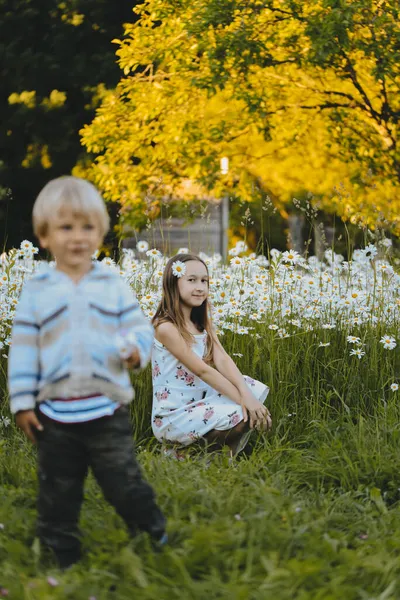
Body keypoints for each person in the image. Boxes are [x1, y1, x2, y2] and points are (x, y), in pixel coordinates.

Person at [8, 176, 166, 569]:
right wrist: (23, 402)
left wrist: (134, 348)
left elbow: (139, 327)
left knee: (122, 479)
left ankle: (151, 529)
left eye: (87, 228)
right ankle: (62, 556)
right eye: (66, 228)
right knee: (58, 490)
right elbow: (25, 347)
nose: (77, 237)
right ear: (44, 236)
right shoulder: (37, 289)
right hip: (54, 416)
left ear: (99, 233)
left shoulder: (111, 283)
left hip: (106, 409)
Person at [151, 253, 272, 458]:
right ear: (173, 283)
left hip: (200, 404)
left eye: (204, 281)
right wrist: (244, 401)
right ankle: (187, 451)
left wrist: (246, 394)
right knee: (241, 412)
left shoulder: (202, 323)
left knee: (250, 388)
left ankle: (209, 455)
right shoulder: (165, 327)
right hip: (174, 415)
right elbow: (202, 370)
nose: (200, 287)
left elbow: (222, 358)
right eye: (191, 280)